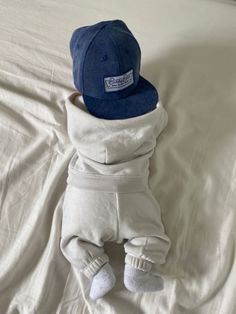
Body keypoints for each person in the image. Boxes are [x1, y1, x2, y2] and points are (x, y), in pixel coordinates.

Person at [60, 19, 171, 300]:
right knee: (151, 234)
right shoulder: (150, 118)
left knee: (73, 239)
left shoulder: (76, 116)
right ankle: (138, 267)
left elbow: (71, 101)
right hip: (134, 190)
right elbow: (162, 120)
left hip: (87, 191)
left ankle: (97, 270)